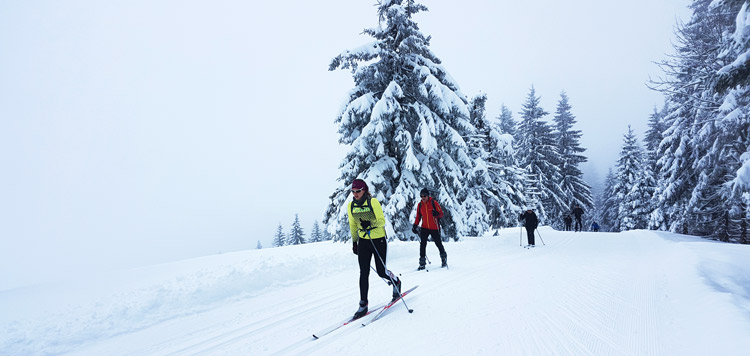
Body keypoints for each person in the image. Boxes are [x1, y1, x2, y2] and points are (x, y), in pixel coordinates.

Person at [348, 179, 402, 319]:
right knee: (363, 272)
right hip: (363, 241)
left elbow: (382, 220)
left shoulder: (373, 202)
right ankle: (363, 304)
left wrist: (370, 223)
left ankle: (396, 281)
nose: (355, 194)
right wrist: (355, 242)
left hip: (378, 239)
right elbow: (353, 225)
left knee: (381, 271)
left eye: (358, 191)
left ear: (364, 190)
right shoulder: (351, 205)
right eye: (353, 192)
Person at [412, 188, 448, 269]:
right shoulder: (420, 205)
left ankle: (444, 259)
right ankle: (422, 263)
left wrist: (437, 214)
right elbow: (418, 216)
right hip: (424, 227)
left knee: (438, 244)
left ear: (428, 196)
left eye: (424, 196)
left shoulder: (433, 203)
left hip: (434, 227)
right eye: (421, 196)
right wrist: (415, 225)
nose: (423, 197)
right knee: (423, 244)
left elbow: (441, 214)